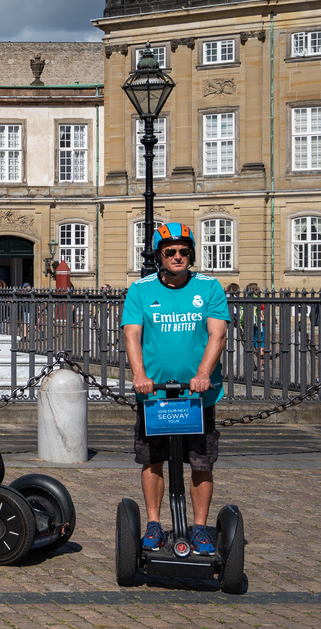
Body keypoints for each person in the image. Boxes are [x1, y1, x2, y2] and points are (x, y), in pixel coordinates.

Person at [122, 222, 230, 557]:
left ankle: (199, 527)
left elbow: (218, 335)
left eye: (184, 251)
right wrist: (139, 375)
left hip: (197, 396)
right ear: (159, 256)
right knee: (153, 460)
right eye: (171, 252)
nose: (178, 256)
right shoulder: (140, 290)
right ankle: (153, 523)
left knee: (200, 462)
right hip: (154, 396)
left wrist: (202, 374)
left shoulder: (210, 287)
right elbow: (132, 335)